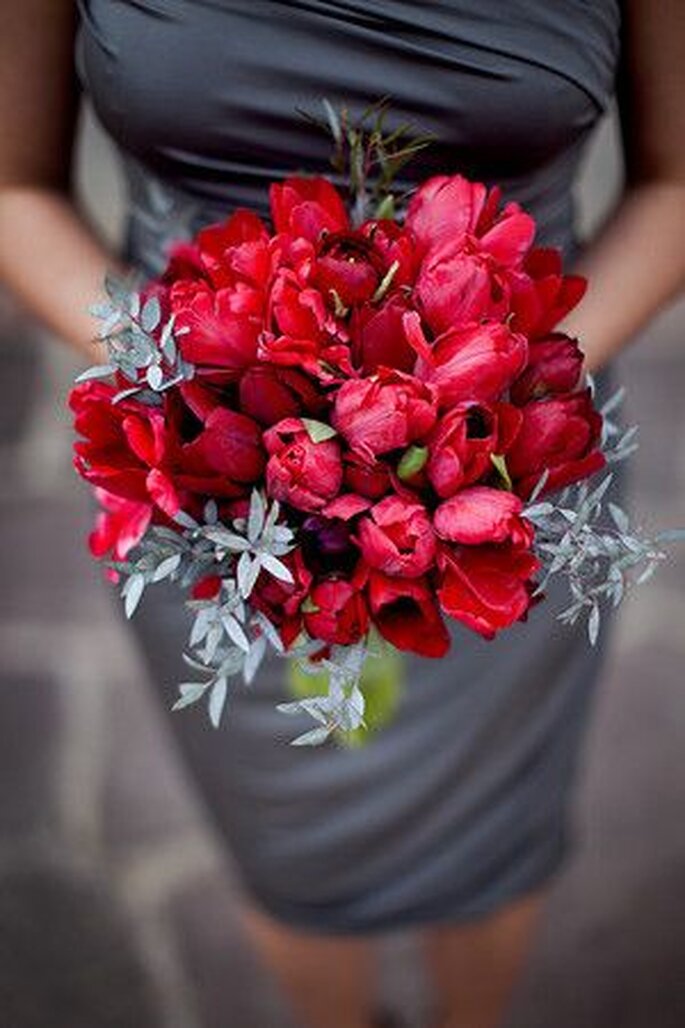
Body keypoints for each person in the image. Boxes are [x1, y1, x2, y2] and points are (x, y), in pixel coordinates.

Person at [0, 3, 683, 1027]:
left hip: (514, 474)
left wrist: (475, 406)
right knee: (288, 839)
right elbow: (14, 189)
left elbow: (675, 185)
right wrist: (203, 390)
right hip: (206, 484)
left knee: (491, 834)